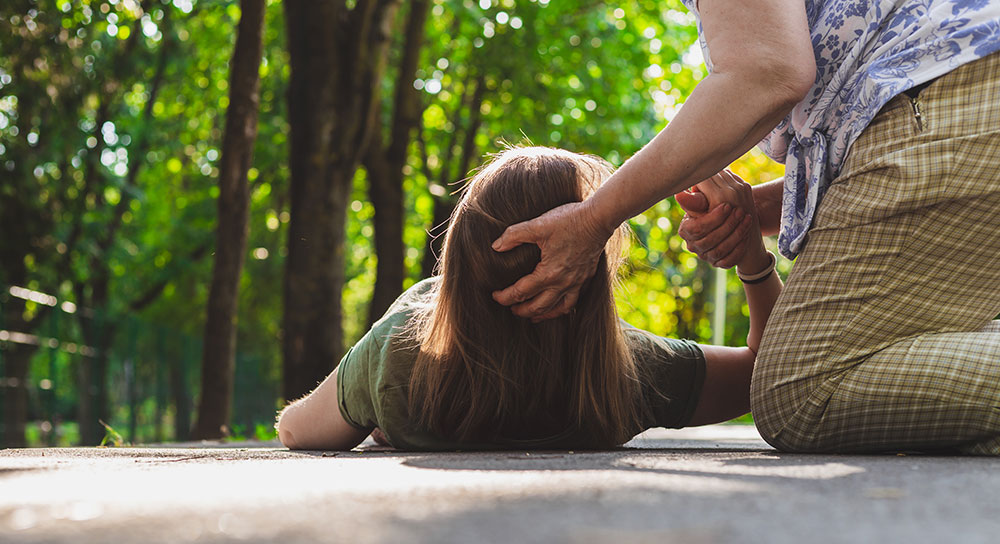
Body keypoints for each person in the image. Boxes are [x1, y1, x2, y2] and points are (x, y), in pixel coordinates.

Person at [489, 1, 1000, 454]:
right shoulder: (630, 369)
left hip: (954, 91)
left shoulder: (411, 357)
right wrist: (750, 218)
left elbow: (767, 71)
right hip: (963, 84)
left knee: (799, 395)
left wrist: (595, 217)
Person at [275, 147, 780, 450]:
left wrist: (381, 394)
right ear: (589, 271)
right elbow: (769, 373)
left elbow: (296, 431)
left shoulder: (401, 354)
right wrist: (753, 260)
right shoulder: (628, 371)